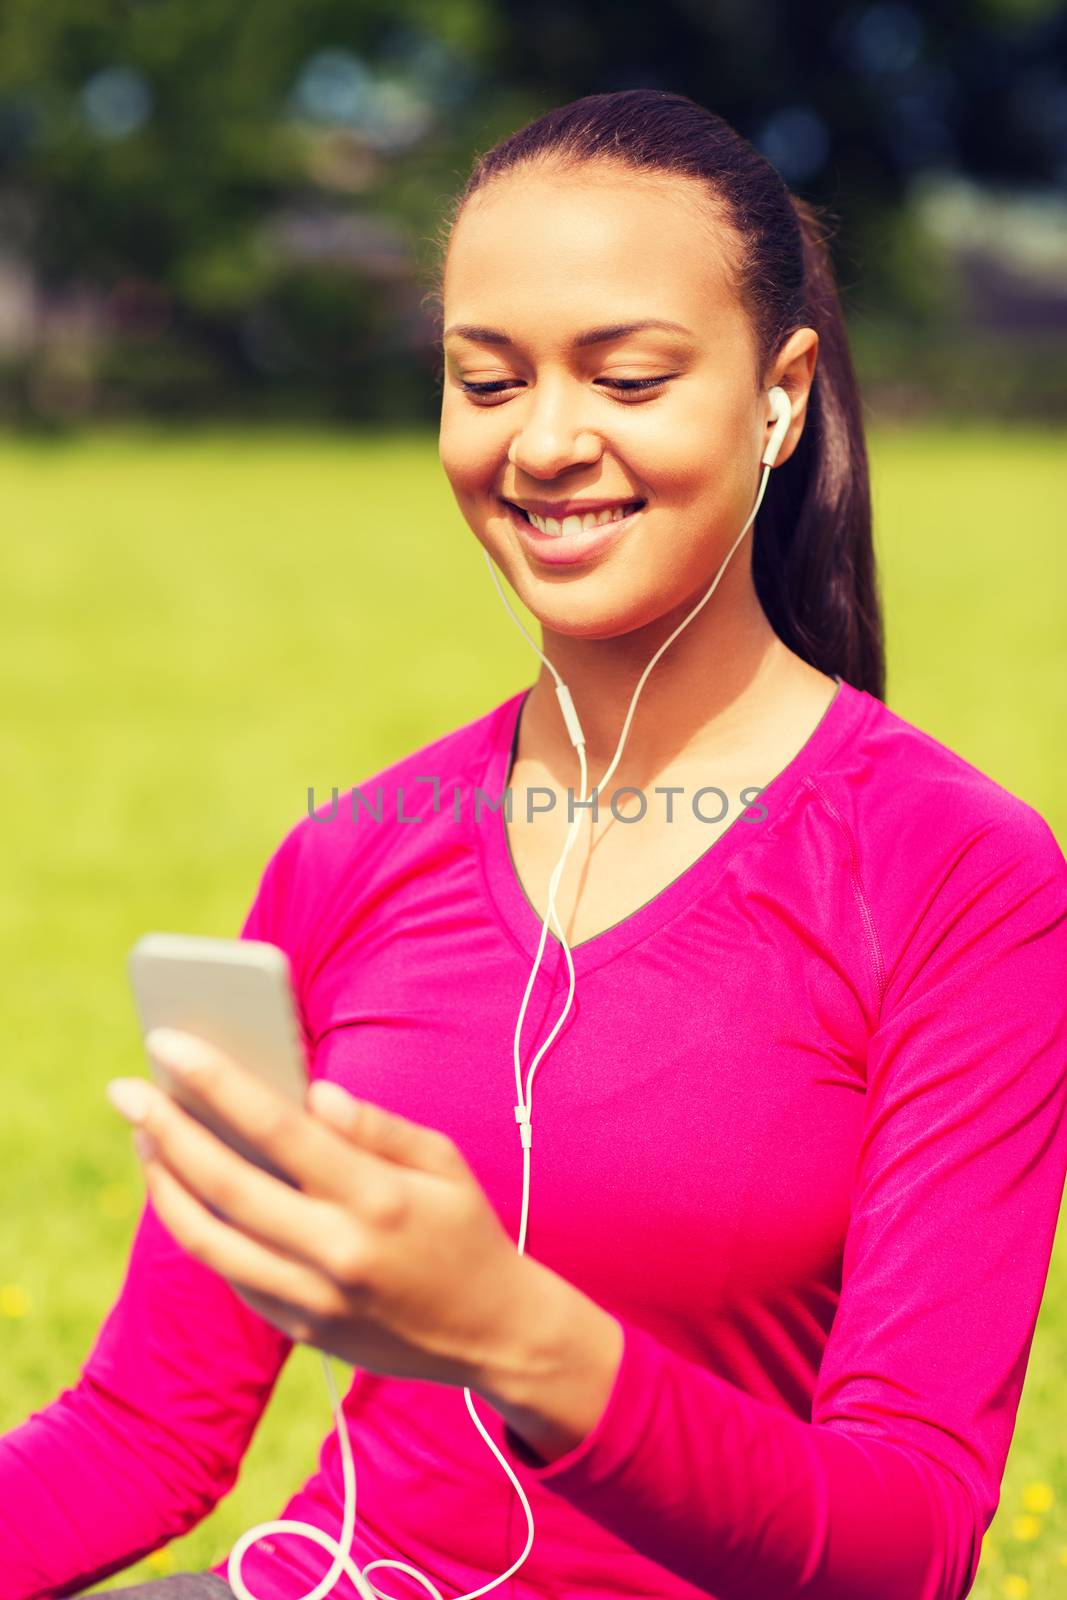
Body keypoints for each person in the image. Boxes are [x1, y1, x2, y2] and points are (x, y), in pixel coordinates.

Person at [3, 86, 1066, 1600]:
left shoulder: (960, 879)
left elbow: (909, 1546)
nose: (547, 443)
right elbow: (140, 1434)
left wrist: (515, 1333)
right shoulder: (352, 854)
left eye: (627, 378)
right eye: (486, 380)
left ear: (778, 397)